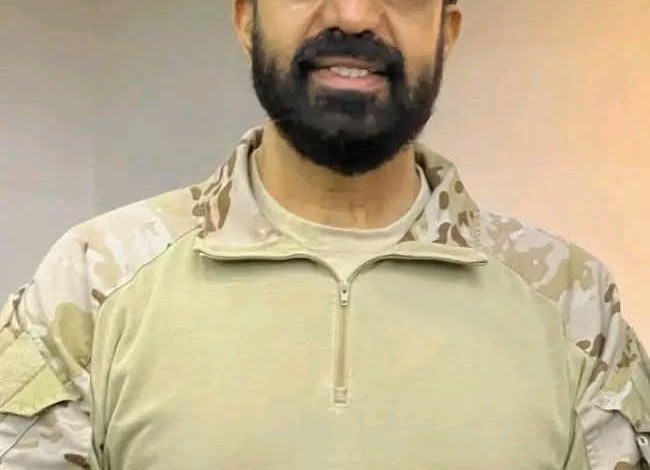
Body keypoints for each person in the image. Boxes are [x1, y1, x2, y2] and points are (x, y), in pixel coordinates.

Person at [1, 0, 648, 468]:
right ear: (246, 18)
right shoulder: (91, 283)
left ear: (446, 33)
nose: (355, 15)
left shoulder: (573, 303)